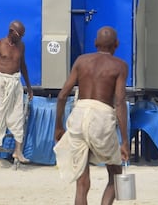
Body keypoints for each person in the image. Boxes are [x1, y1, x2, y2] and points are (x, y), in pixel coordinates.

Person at [53, 26, 130, 205]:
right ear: (116, 44)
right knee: (115, 174)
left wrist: (58, 125)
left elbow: (63, 95)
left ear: (95, 43)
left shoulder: (81, 61)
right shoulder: (119, 66)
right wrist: (125, 141)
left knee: (81, 182)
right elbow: (119, 102)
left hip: (79, 114)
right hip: (101, 116)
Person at [0, 20, 33, 163]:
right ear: (11, 32)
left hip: (15, 81)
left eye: (22, 36)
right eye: (19, 35)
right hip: (0, 81)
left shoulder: (21, 46)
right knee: (1, 111)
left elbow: (23, 66)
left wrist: (29, 87)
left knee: (18, 115)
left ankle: (18, 151)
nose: (20, 38)